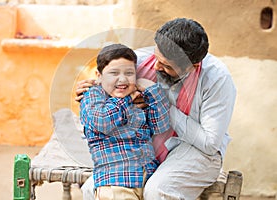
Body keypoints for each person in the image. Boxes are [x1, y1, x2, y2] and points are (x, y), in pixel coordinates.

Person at [76, 18, 236, 200]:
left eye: (167, 66)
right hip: (143, 145)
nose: (156, 66)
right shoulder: (141, 61)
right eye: (157, 57)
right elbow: (106, 91)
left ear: (193, 67)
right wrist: (92, 90)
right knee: (93, 188)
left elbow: (209, 143)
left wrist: (159, 102)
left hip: (195, 150)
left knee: (158, 192)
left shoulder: (217, 79)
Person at [79, 43, 171, 200]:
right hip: (116, 182)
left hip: (145, 178)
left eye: (129, 73)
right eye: (114, 73)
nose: (122, 79)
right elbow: (103, 122)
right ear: (99, 76)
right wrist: (127, 98)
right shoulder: (93, 96)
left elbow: (161, 126)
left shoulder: (139, 99)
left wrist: (152, 90)